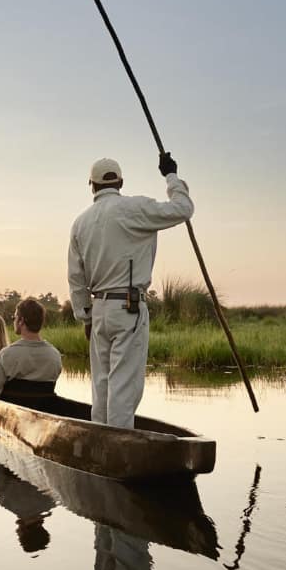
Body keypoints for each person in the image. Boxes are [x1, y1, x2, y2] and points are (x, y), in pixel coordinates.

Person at [68, 154, 193, 428]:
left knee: (101, 387)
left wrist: (86, 317)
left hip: (99, 309)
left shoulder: (80, 223)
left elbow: (76, 279)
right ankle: (118, 451)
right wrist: (171, 176)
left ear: (92, 185)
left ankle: (99, 444)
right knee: (123, 387)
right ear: (121, 181)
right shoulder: (136, 208)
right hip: (129, 308)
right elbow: (183, 208)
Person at [0, 299, 62, 400]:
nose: (13, 321)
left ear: (21, 321)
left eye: (14, 317)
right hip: (44, 410)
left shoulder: (7, 354)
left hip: (14, 411)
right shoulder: (55, 355)